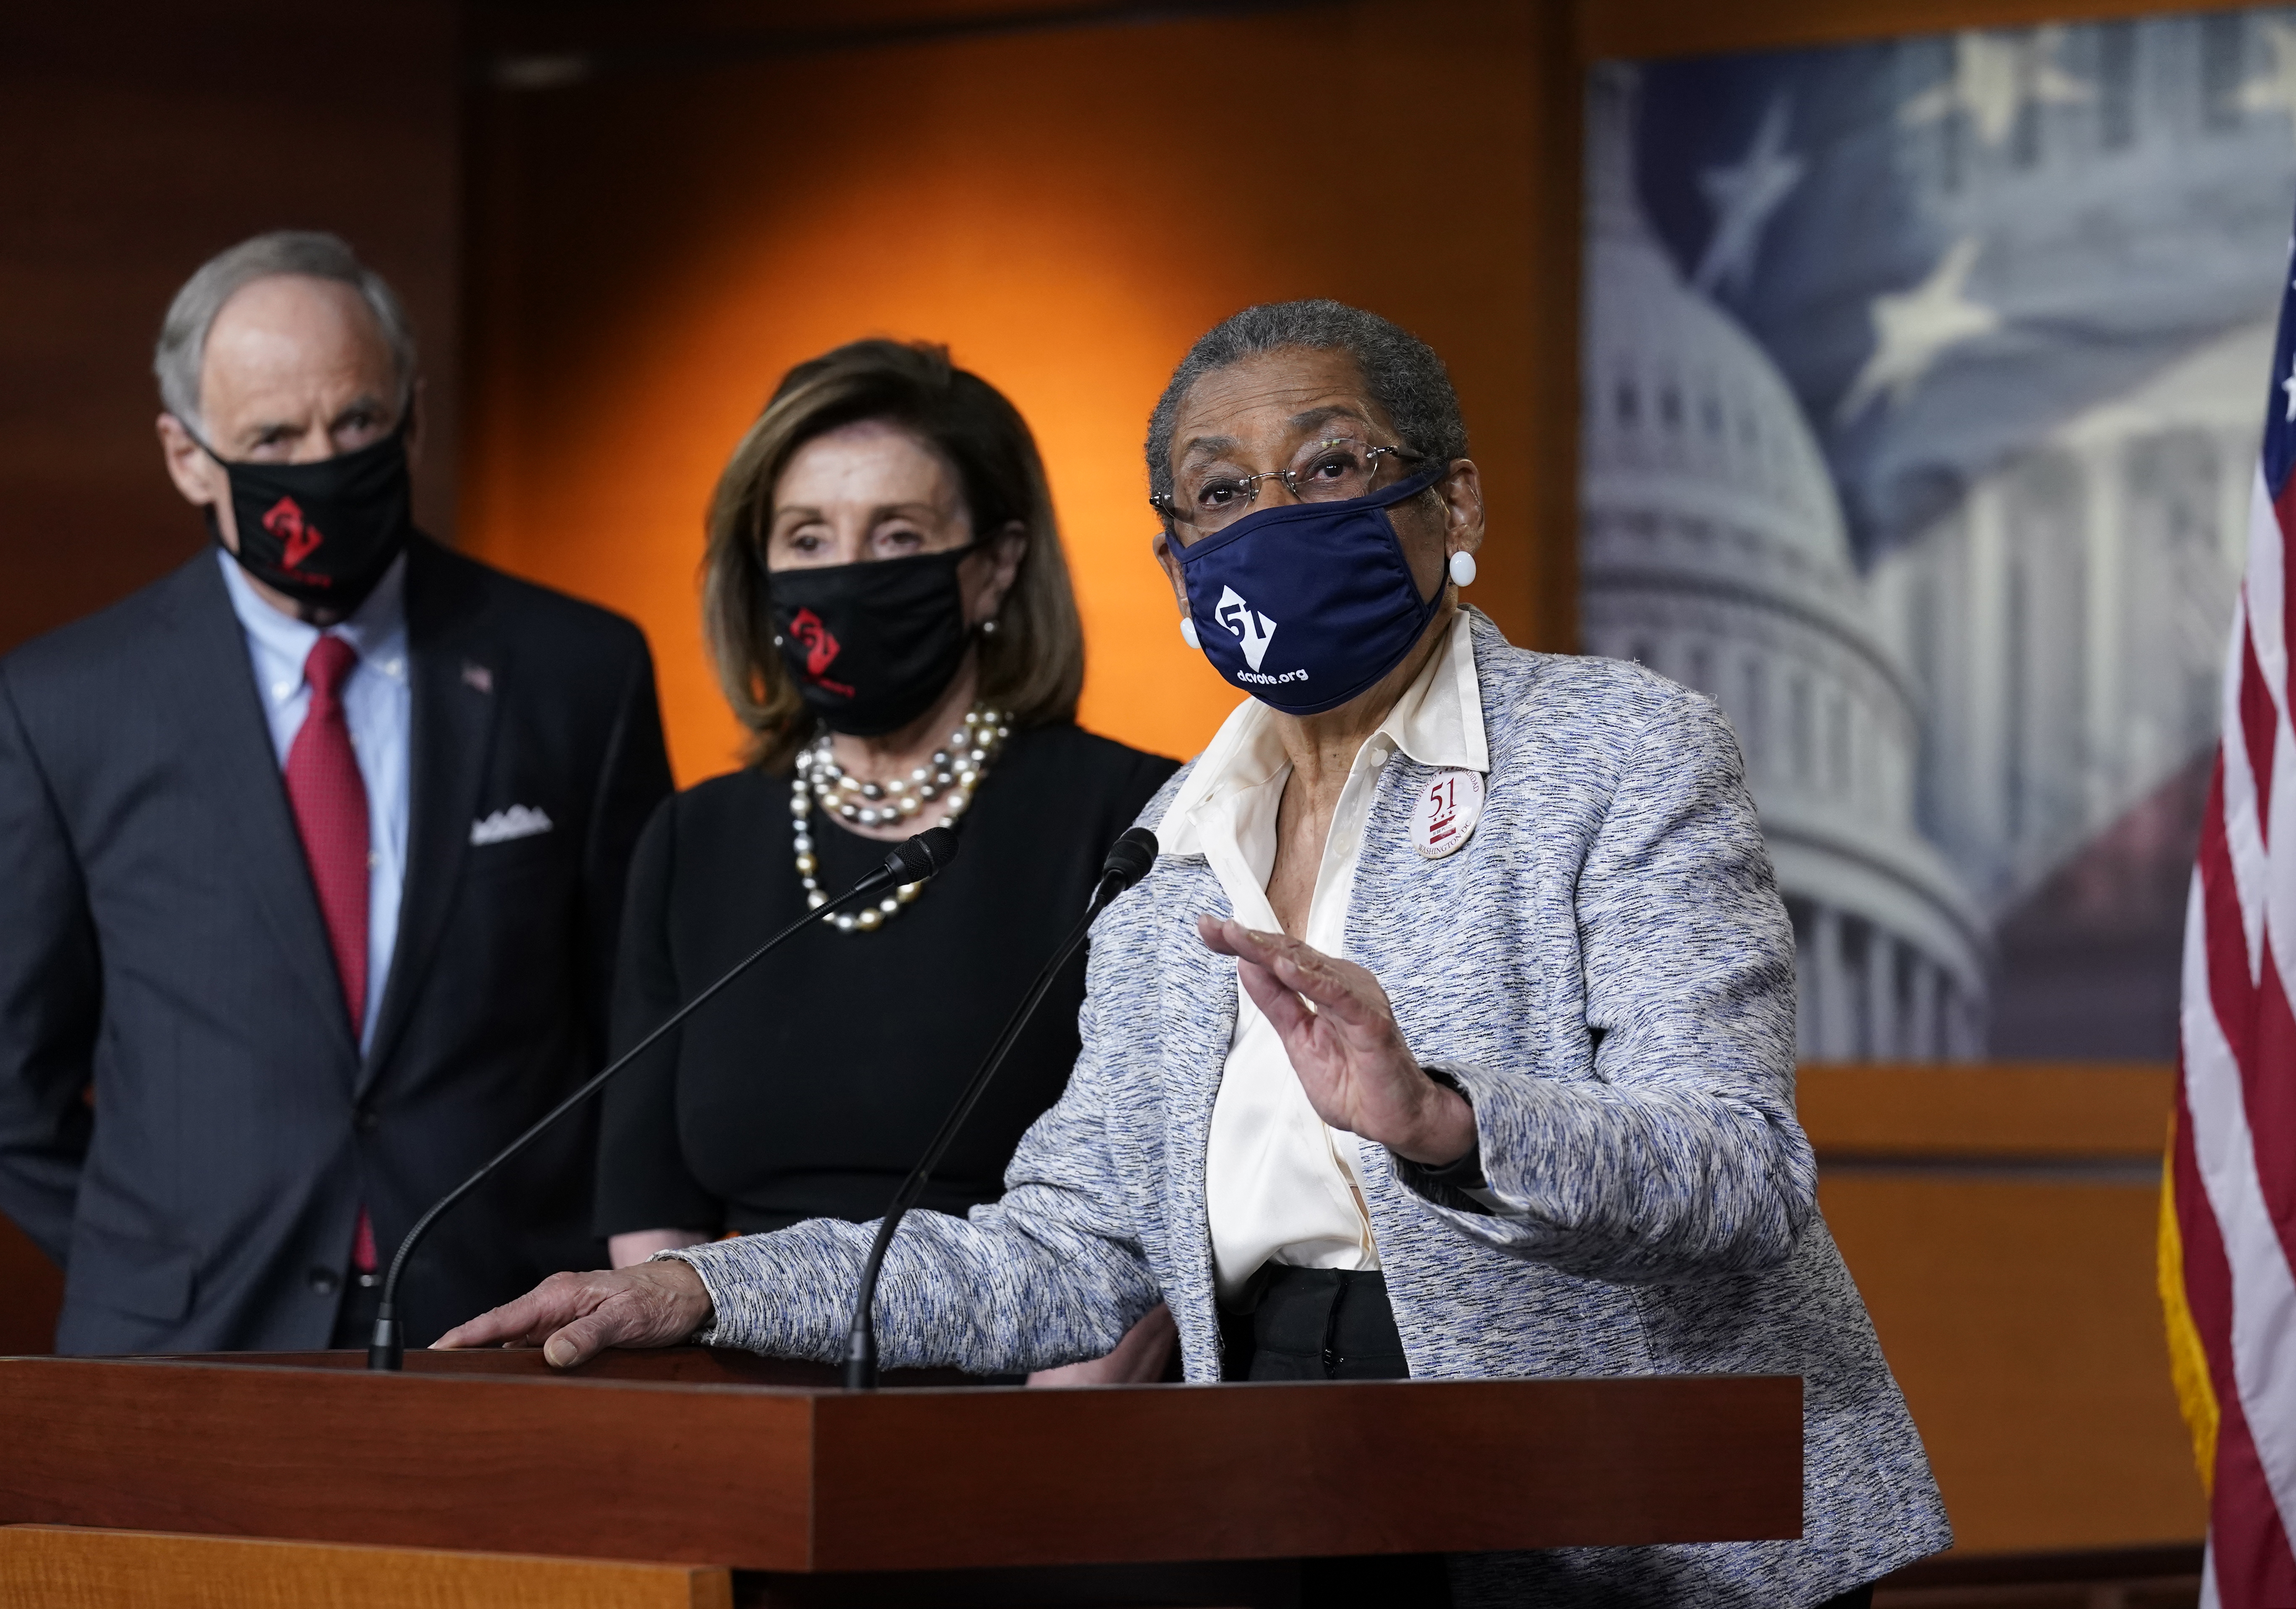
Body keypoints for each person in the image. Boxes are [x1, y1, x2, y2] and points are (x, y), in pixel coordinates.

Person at [437, 302, 1951, 1606]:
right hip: (1286, 1484)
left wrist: (1447, 1121)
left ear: (1455, 503)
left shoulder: (1620, 748)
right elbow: (1067, 1251)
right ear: (1176, 564)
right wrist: (711, 1293)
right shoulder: (1172, 845)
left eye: (1330, 466)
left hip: (1638, 1514)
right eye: (1221, 491)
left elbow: (1737, 1171)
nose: (1274, 517)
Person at [0, 231, 673, 1354]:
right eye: (272, 437)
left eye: (355, 423)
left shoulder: (577, 672)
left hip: (507, 1333)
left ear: (413, 421)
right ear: (186, 456)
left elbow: (642, 1037)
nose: (320, 463)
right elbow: (7, 1088)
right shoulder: (61, 704)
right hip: (186, 1352)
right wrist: (152, 1265)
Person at [594, 339, 1179, 1381]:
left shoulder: (1135, 819)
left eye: (897, 534)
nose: (846, 574)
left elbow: (1163, 1197)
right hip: (743, 1408)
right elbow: (649, 1212)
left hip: (1035, 1400)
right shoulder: (695, 840)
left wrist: (1067, 1433)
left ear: (997, 565)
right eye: (807, 538)